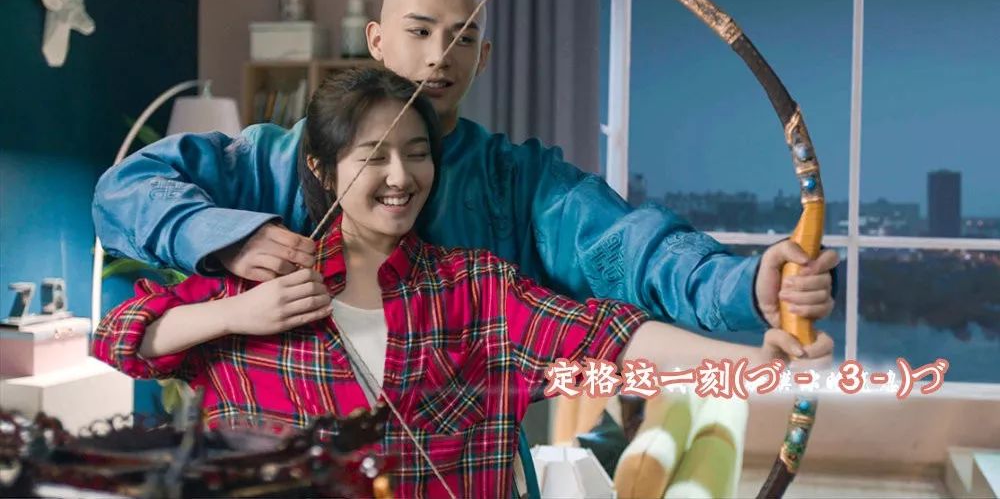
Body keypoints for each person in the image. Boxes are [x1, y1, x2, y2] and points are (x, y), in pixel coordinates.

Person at [93, 68, 833, 499]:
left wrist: (751, 364)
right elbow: (121, 336)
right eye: (373, 155)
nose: (399, 176)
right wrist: (237, 316)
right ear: (320, 166)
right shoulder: (261, 277)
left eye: (417, 153)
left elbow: (611, 337)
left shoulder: (475, 288)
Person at [92, 0, 839, 336]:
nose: (439, 56)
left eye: (463, 37)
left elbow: (635, 249)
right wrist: (232, 237)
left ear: (483, 58)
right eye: (419, 31)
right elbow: (123, 192)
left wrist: (746, 286)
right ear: (375, 41)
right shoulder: (277, 158)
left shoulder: (519, 182)